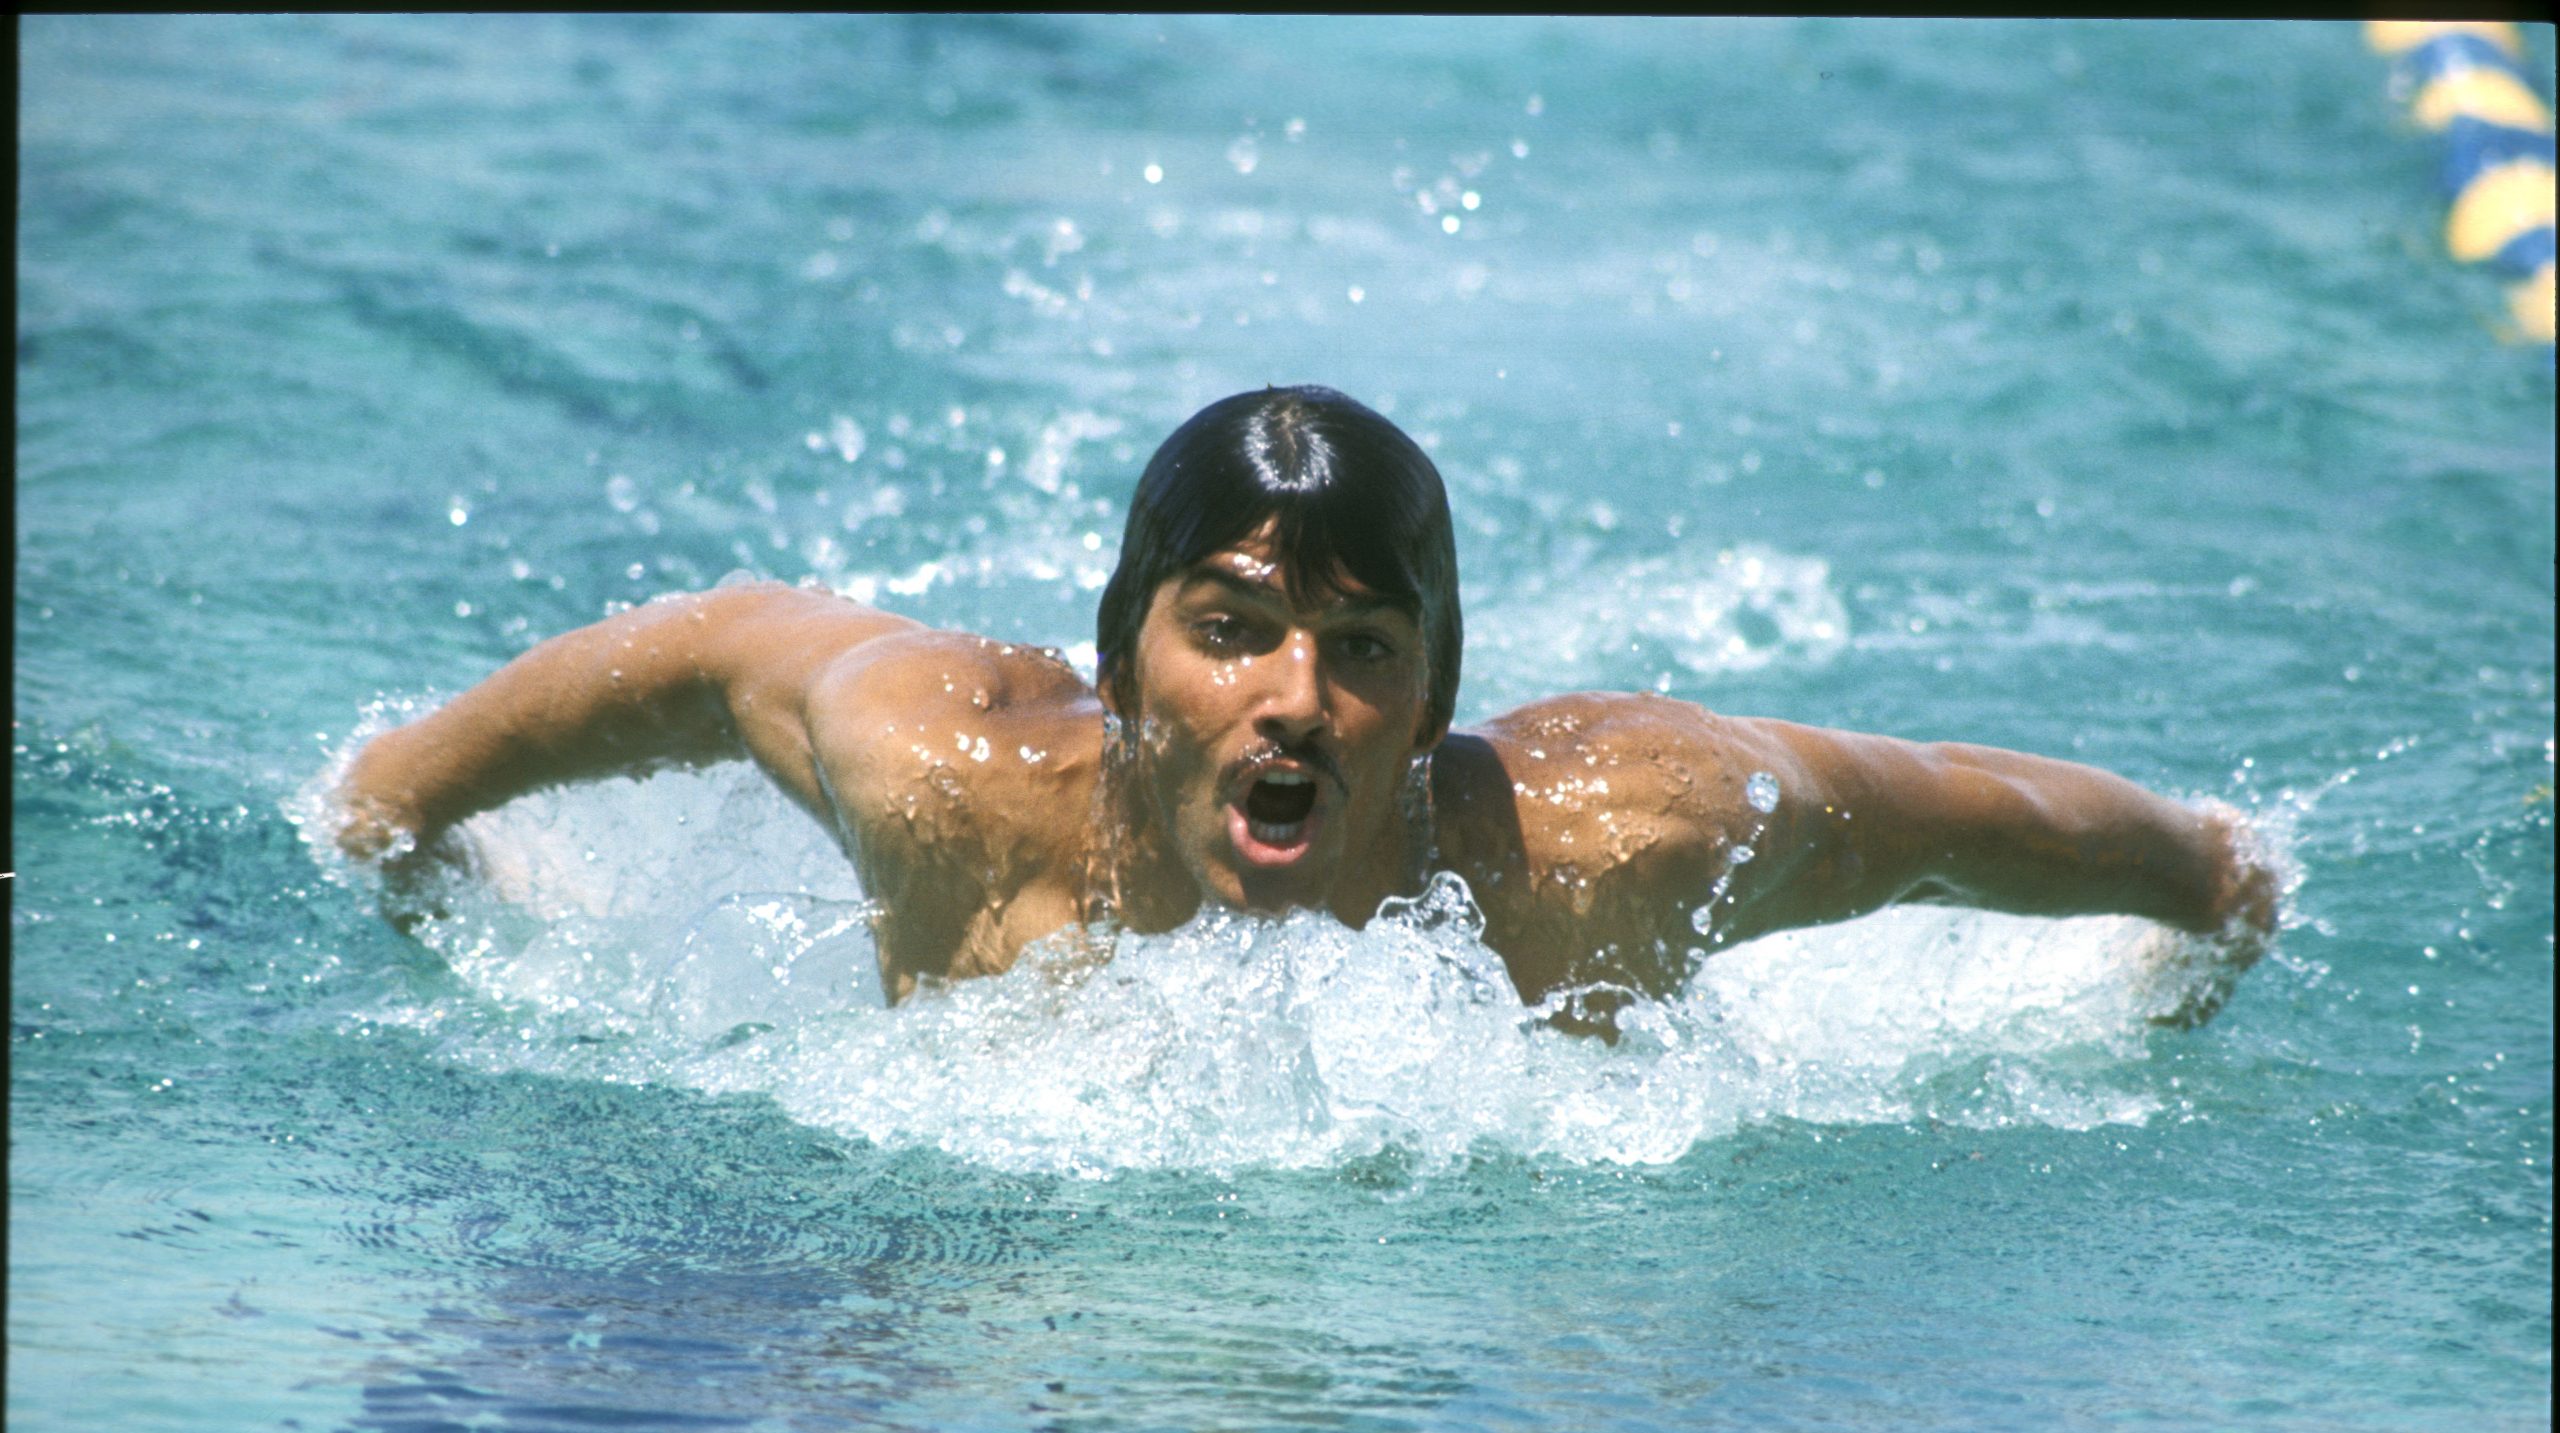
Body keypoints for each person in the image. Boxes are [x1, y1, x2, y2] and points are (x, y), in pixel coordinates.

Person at [336, 384, 2279, 1031]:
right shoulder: (951, 776)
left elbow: (1929, 804)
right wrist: (402, 793)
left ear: (1435, 694)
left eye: (1361, 647)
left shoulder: (1603, 842)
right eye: (1231, 628)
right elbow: (709, 647)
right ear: (1119, 663)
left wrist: (2197, 872)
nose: (1294, 699)